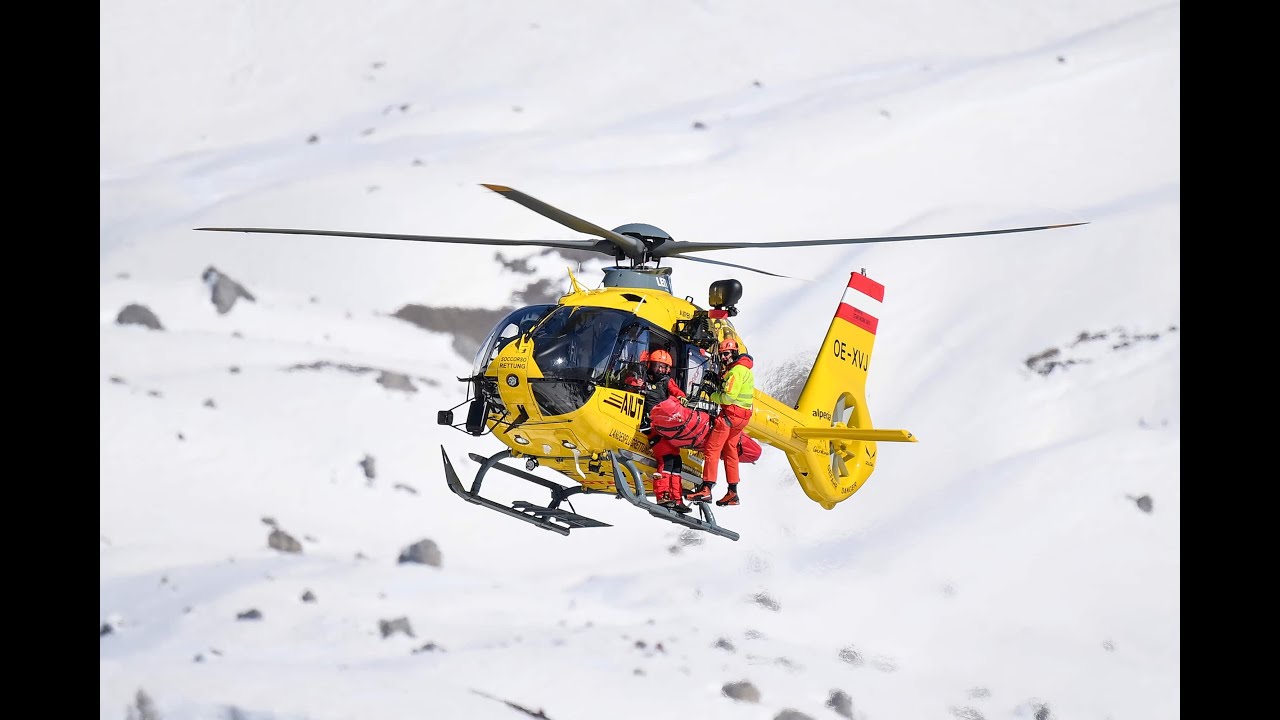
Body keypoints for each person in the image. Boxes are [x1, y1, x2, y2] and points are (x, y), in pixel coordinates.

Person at [685, 337, 754, 506]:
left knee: (712, 449)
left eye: (727, 354)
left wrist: (712, 394)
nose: (724, 358)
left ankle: (706, 488)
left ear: (734, 352)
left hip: (729, 417)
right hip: (742, 419)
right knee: (730, 452)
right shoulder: (745, 370)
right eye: (722, 354)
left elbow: (728, 397)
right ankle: (732, 492)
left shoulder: (735, 372)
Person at [624, 349, 691, 513]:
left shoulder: (667, 381)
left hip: (666, 426)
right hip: (652, 426)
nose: (660, 370)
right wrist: (635, 384)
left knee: (677, 462)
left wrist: (681, 398)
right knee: (666, 459)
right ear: (650, 365)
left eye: (664, 367)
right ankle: (663, 496)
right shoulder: (643, 378)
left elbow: (676, 391)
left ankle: (676, 499)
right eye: (657, 366)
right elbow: (628, 383)